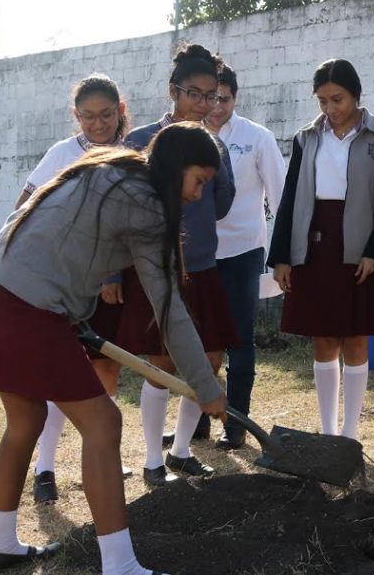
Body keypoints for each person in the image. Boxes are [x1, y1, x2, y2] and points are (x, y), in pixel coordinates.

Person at [0, 122, 228, 575]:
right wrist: (205, 386)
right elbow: (169, 310)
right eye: (199, 180)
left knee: (26, 419)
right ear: (179, 167)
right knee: (104, 422)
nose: (199, 195)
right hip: (25, 303)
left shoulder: (113, 166)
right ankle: (120, 566)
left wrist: (71, 312)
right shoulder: (147, 205)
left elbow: (47, 226)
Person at [121, 43, 238, 487]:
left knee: (209, 359)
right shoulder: (139, 142)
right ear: (174, 91)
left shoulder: (215, 145)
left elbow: (223, 199)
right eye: (195, 93)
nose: (204, 104)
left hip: (204, 264)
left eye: (212, 96)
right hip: (155, 268)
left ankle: (182, 450)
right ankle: (152, 460)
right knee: (163, 362)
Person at [17, 74, 134, 504]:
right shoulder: (62, 154)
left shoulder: (129, 153)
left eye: (106, 114)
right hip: (64, 280)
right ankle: (45, 467)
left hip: (114, 281)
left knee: (106, 370)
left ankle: (98, 456)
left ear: (120, 111)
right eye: (88, 117)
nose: (98, 124)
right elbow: (26, 205)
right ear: (75, 116)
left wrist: (112, 273)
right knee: (60, 376)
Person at [268, 59, 374, 442]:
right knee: (323, 337)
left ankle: (350, 433)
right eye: (322, 100)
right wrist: (282, 256)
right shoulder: (307, 137)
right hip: (314, 243)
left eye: (337, 99)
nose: (330, 108)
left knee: (355, 337)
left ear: (356, 94)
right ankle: (326, 431)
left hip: (358, 246)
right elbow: (290, 197)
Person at [203, 63, 287, 450]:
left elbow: (280, 196)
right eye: (210, 97)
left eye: (224, 98)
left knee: (239, 340)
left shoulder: (257, 137)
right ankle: (196, 424)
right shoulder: (188, 135)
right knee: (199, 342)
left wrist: (282, 254)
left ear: (235, 98)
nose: (216, 106)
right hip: (198, 254)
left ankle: (235, 424)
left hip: (243, 251)